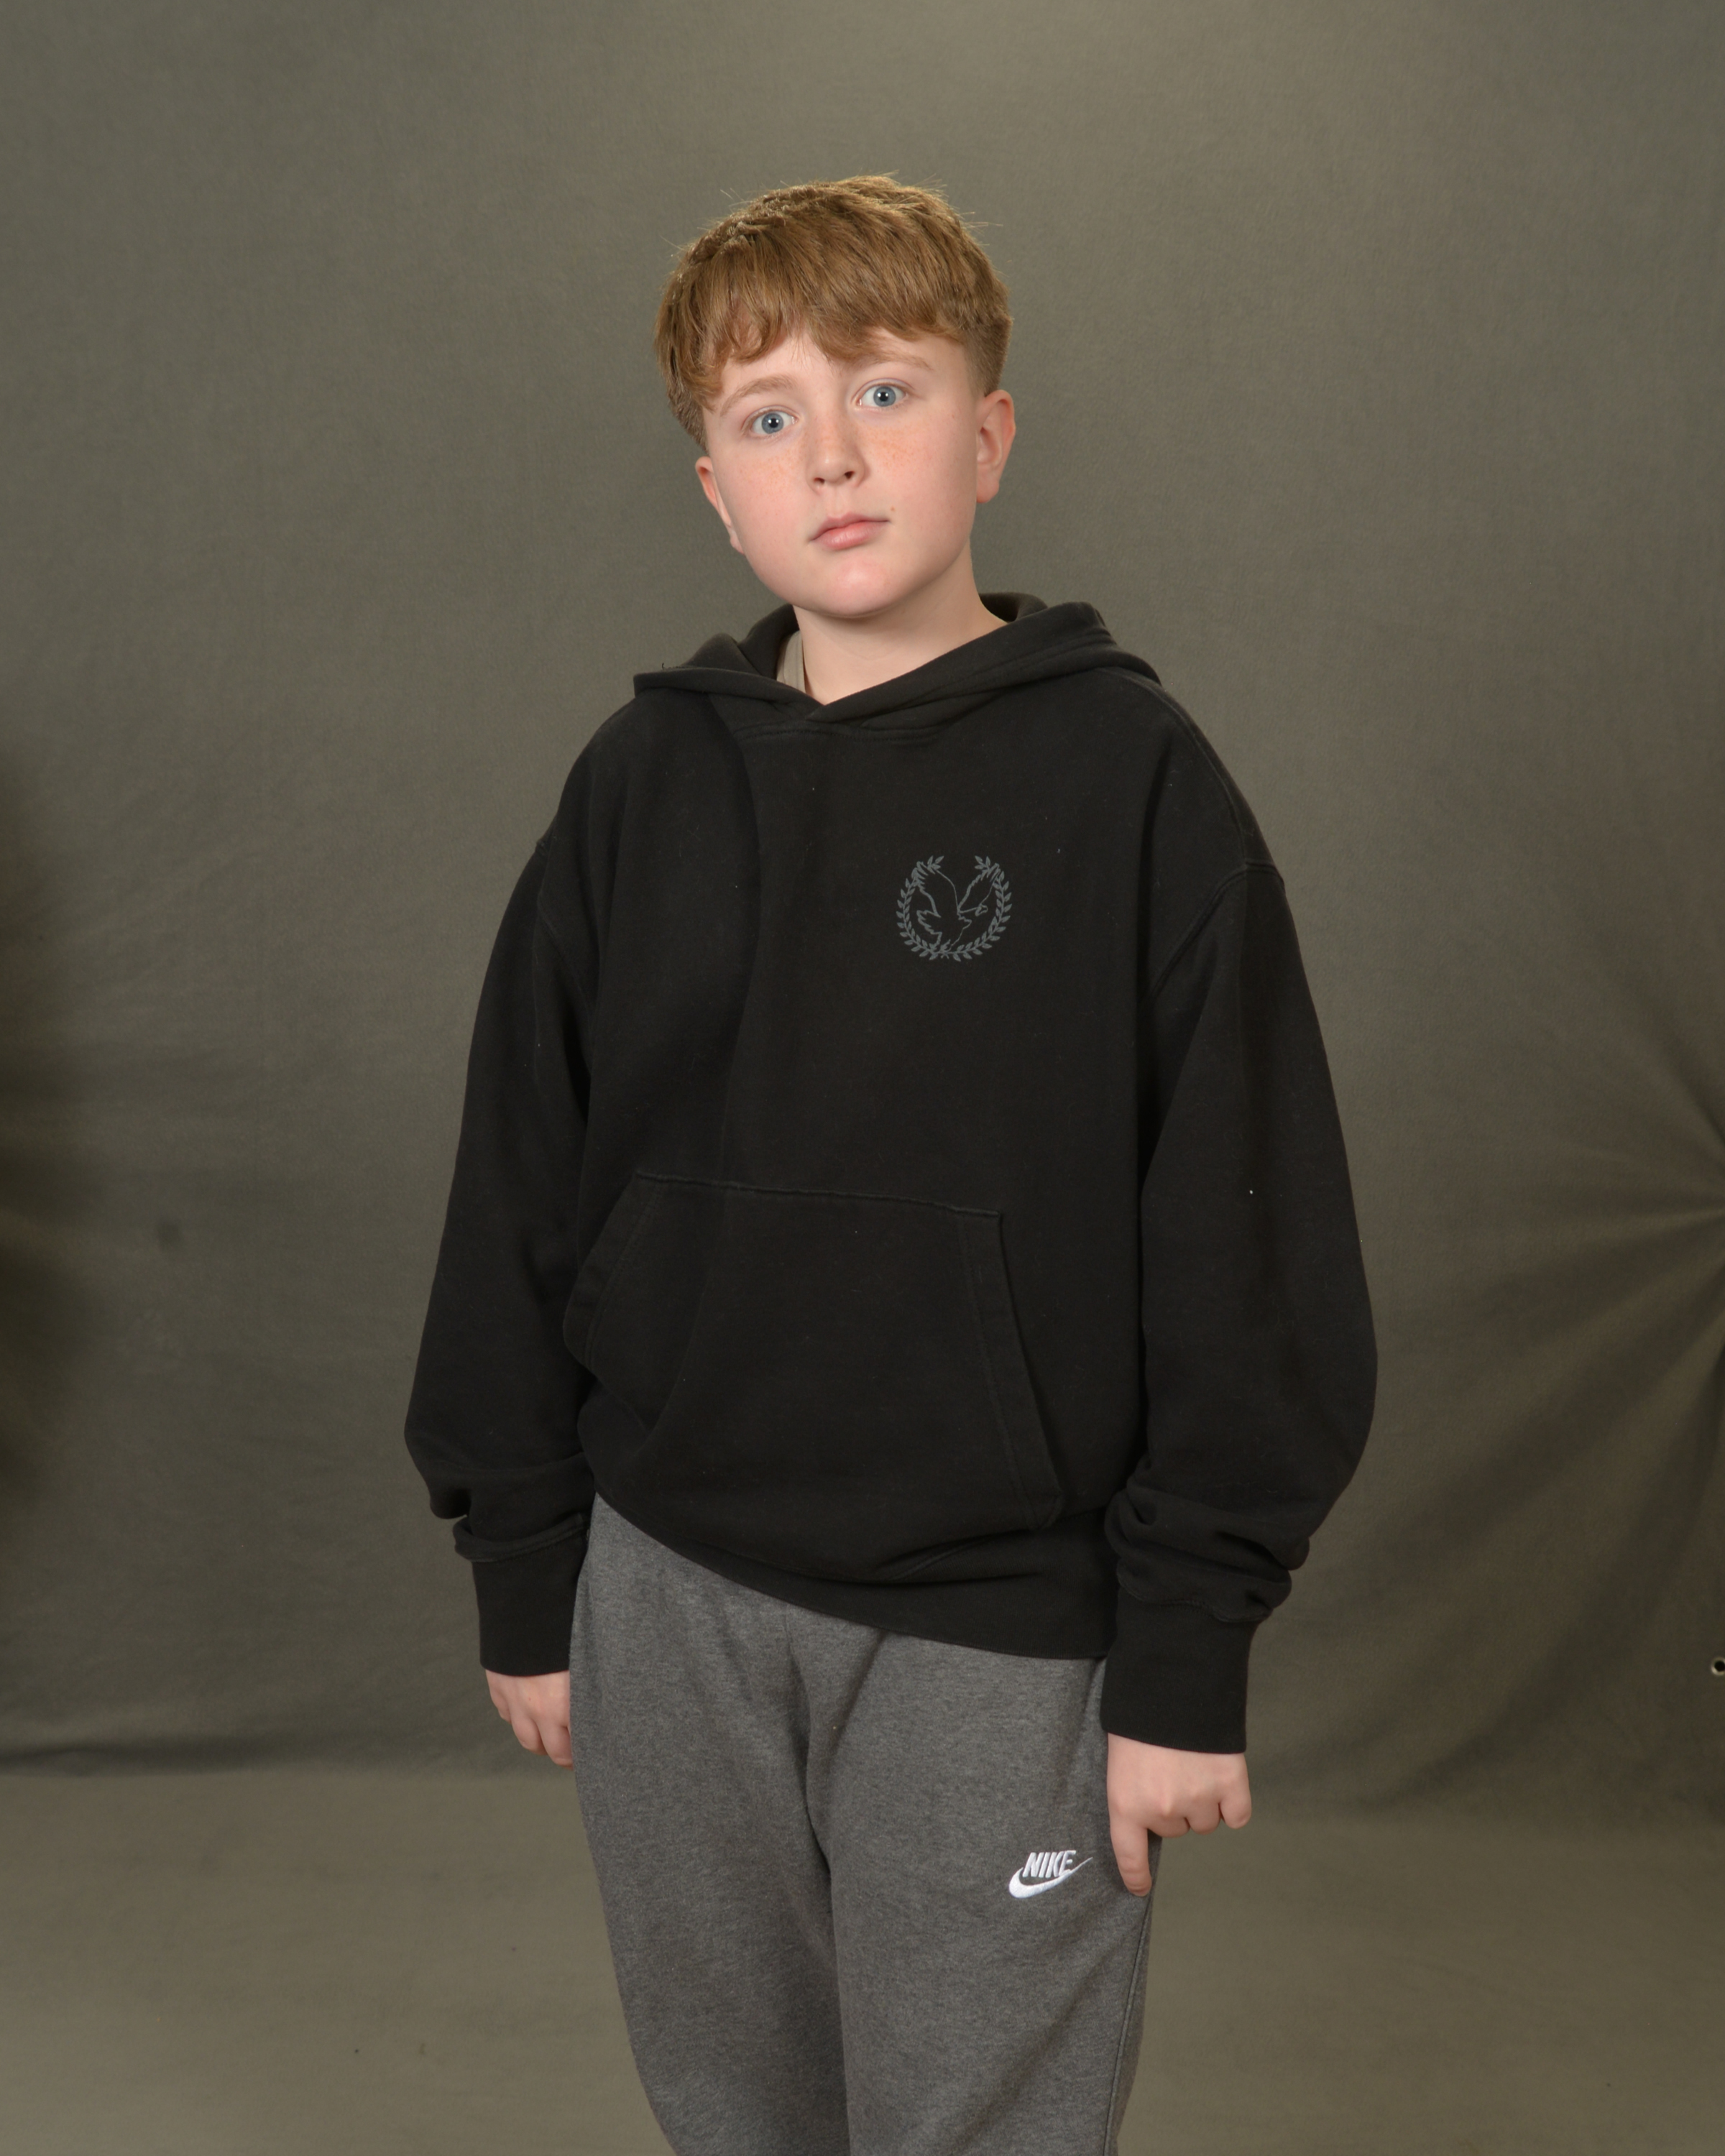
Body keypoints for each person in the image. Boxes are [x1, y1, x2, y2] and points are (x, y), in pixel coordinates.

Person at [405, 175, 1376, 2156]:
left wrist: (1186, 1648)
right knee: (735, 2111)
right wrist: (528, 1564)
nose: (831, 456)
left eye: (886, 390)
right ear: (717, 492)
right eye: (769, 415)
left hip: (1000, 1625)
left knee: (979, 2122)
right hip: (669, 1591)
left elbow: (1247, 1222)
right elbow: (520, 1175)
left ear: (989, 434)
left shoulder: (1133, 781)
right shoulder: (640, 785)